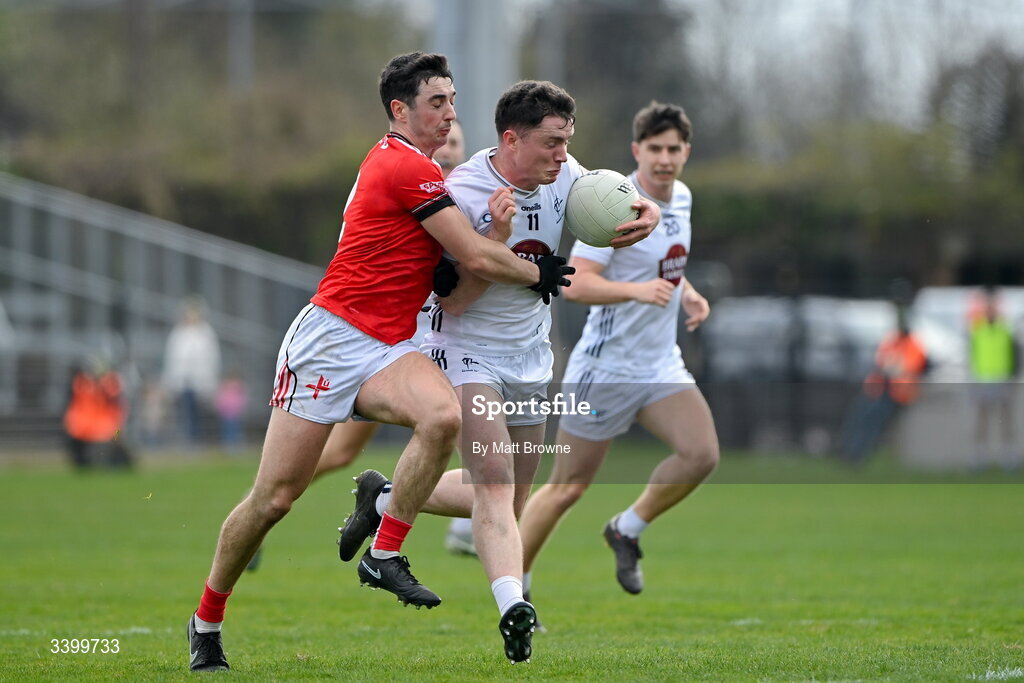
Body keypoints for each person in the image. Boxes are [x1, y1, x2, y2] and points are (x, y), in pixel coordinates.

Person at [186, 53, 572, 672]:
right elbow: (470, 251)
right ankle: (206, 618)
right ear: (400, 111)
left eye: (451, 100)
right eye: (436, 103)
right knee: (276, 498)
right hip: (330, 341)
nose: (449, 113)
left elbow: (462, 262)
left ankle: (384, 551)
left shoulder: (429, 171)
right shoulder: (401, 164)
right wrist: (538, 270)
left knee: (443, 417)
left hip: (391, 346)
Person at [336, 80, 660, 663]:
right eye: (551, 144)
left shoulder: (564, 173)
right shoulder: (462, 192)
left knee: (511, 500)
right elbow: (454, 301)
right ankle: (514, 608)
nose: (563, 156)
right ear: (511, 139)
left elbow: (619, 198)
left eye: (567, 143)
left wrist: (648, 211)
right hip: (464, 352)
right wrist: (499, 236)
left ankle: (386, 499)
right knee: (493, 482)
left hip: (531, 355)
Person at [516, 102, 719, 610]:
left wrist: (684, 291)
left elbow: (667, 263)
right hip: (604, 370)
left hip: (658, 365)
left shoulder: (684, 199)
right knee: (565, 489)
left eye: (674, 149)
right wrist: (637, 292)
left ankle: (626, 530)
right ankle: (513, 589)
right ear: (637, 151)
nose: (665, 158)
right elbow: (576, 284)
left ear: (686, 152)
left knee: (701, 455)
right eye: (655, 148)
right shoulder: (613, 202)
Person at [838, 306, 929, 463]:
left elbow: (906, 368)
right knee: (860, 412)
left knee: (874, 416)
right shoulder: (892, 342)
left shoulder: (914, 345)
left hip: (899, 395)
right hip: (881, 391)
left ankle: (858, 455)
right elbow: (881, 362)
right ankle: (847, 451)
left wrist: (892, 366)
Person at [968, 287, 1019, 469]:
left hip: (1002, 378)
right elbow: (972, 354)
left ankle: (1009, 458)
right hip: (982, 379)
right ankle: (979, 459)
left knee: (1006, 421)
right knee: (982, 421)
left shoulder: (1005, 328)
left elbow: (1015, 354)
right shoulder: (977, 328)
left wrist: (1012, 376)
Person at [163, 296, 220, 446]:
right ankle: (189, 438)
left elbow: (211, 358)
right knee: (186, 411)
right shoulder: (178, 333)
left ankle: (198, 439)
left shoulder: (206, 333)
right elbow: (173, 358)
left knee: (199, 412)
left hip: (201, 379)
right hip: (184, 380)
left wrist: (210, 379)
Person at [63, 356, 132, 469]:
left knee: (117, 438)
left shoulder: (110, 383)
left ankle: (114, 459)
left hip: (111, 426)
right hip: (89, 426)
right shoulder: (82, 383)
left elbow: (117, 403)